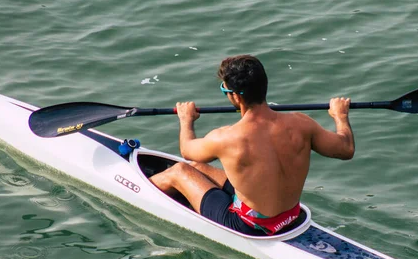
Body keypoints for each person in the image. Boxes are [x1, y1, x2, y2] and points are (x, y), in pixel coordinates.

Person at [150, 55, 354, 236]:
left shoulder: (227, 137)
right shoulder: (302, 123)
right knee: (198, 169)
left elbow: (187, 150)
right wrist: (340, 116)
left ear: (236, 96)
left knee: (178, 171)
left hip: (249, 226)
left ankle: (138, 194)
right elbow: (346, 149)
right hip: (291, 216)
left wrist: (186, 119)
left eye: (225, 90)